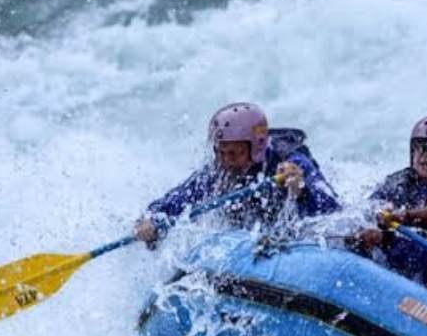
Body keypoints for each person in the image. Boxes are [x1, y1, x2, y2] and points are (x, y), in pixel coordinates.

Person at [134, 102, 341, 245]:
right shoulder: (217, 173)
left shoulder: (292, 164)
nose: (226, 161)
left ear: (256, 147)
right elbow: (174, 201)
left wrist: (301, 190)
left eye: (234, 153)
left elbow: (334, 211)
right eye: (220, 152)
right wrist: (149, 220)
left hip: (294, 240)